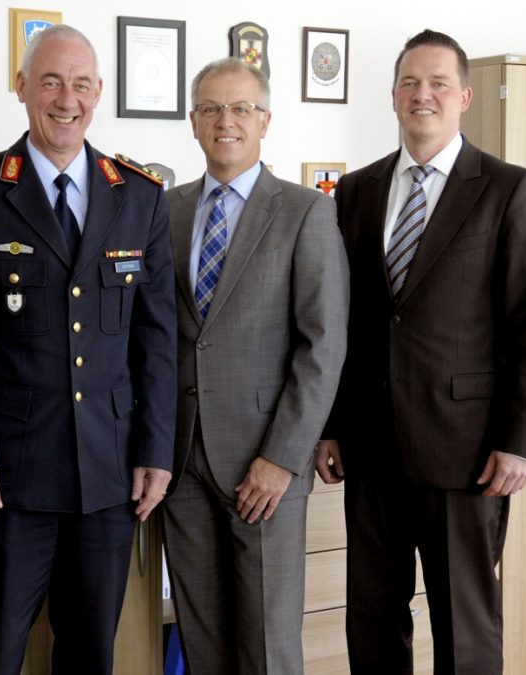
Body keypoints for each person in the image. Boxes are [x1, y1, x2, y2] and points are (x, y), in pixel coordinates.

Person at [0, 24, 176, 675]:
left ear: (99, 94)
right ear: (22, 87)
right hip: (5, 478)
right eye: (52, 81)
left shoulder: (139, 195)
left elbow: (157, 340)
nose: (67, 99)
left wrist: (154, 450)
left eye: (82, 84)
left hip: (109, 474)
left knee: (91, 655)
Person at [316, 29, 526, 674]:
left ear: (464, 97)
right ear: (394, 96)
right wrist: (333, 426)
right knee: (372, 619)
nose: (422, 94)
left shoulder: (508, 189)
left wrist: (522, 438)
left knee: (465, 627)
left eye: (438, 83)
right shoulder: (357, 192)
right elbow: (345, 321)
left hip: (468, 451)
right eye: (410, 83)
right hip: (370, 449)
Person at [162, 57, 349, 674]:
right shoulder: (166, 211)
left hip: (264, 463)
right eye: (212, 108)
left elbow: (322, 345)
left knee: (268, 644)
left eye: (241, 108)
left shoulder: (304, 211)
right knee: (203, 637)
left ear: (265, 120)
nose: (226, 121)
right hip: (182, 463)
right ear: (193, 122)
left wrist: (282, 458)